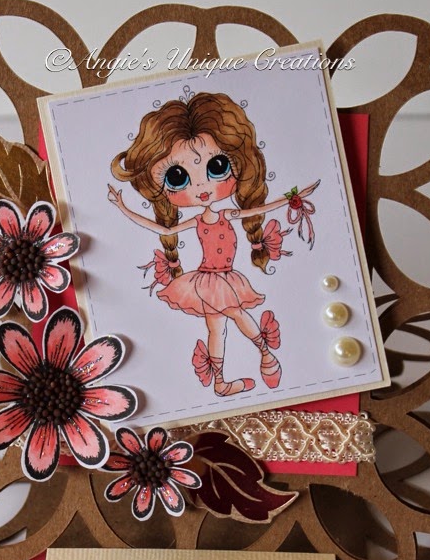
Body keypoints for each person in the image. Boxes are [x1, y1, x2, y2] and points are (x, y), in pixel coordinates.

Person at [108, 91, 318, 396]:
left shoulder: (227, 213)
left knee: (234, 317)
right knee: (218, 326)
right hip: (206, 281)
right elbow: (159, 228)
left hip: (224, 279)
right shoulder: (196, 221)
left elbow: (258, 209)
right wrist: (123, 208)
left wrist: (293, 197)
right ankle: (229, 377)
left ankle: (262, 358)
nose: (202, 187)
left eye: (217, 166)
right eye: (177, 177)